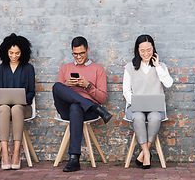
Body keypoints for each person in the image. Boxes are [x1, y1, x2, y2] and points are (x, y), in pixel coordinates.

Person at [52, 36, 112, 172]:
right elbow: (59, 92)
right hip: (67, 109)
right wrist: (66, 86)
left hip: (87, 113)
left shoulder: (98, 69)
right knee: (57, 86)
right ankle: (98, 109)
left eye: (82, 53)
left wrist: (88, 86)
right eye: (75, 54)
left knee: (76, 106)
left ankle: (74, 159)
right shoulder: (65, 68)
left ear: (88, 50)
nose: (78, 57)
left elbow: (103, 98)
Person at [123, 34, 173, 169]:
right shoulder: (130, 67)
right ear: (137, 50)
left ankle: (143, 153)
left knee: (155, 117)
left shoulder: (161, 66)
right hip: (135, 106)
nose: (146, 53)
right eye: (142, 50)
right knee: (138, 117)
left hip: (155, 107)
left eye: (149, 50)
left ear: (153, 49)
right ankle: (146, 153)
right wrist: (135, 102)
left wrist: (157, 66)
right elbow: (126, 91)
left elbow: (168, 83)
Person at [0, 33, 35, 170]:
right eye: (11, 53)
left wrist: (22, 100)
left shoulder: (28, 68)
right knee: (4, 108)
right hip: (2, 109)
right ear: (6, 52)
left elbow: (32, 92)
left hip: (23, 109)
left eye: (17, 53)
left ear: (23, 52)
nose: (14, 56)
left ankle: (16, 153)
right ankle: (5, 153)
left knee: (16, 108)